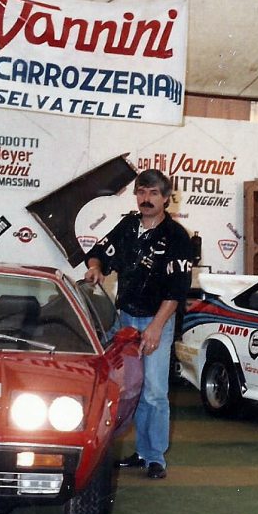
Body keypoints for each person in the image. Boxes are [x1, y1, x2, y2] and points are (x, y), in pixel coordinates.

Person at [83, 169, 192, 479]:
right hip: (125, 320)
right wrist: (95, 269)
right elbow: (98, 253)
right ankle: (139, 452)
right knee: (128, 387)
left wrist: (156, 328)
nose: (146, 199)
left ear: (167, 198)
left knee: (155, 391)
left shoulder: (177, 238)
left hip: (158, 319)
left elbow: (176, 291)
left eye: (153, 194)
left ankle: (154, 456)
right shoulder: (129, 226)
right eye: (142, 193)